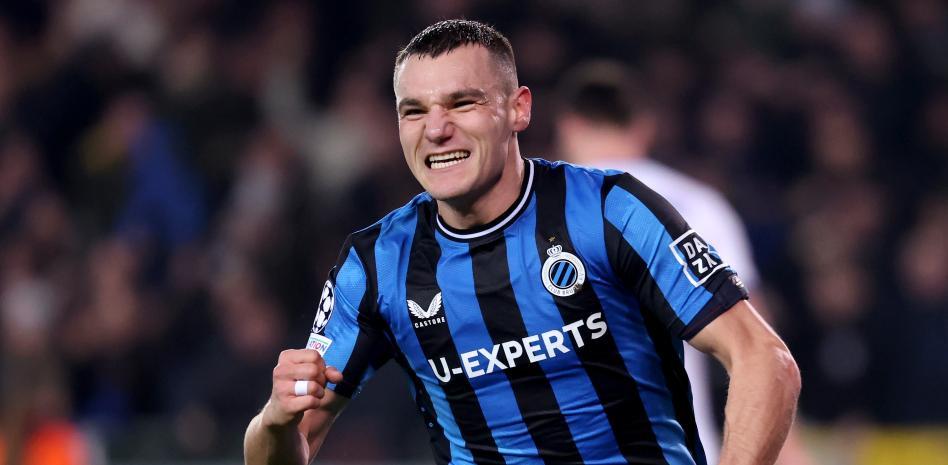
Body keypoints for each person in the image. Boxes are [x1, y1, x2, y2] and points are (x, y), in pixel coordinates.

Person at [244, 20, 800, 465]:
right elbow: (289, 447)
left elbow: (765, 359)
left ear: (519, 109)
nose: (436, 129)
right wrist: (274, 422)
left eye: (462, 103)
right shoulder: (376, 264)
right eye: (414, 111)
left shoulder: (609, 211)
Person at [553, 60, 811, 465]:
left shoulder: (537, 213)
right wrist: (789, 449)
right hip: (679, 449)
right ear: (644, 127)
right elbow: (755, 343)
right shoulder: (698, 204)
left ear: (568, 126)